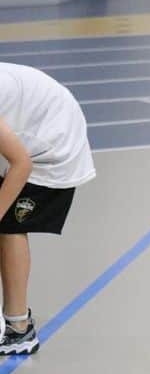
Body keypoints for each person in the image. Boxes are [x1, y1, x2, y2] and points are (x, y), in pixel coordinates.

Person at [0, 62, 96, 355]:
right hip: (26, 128)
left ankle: (19, 329)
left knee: (8, 226)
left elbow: (22, 164)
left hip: (52, 143)